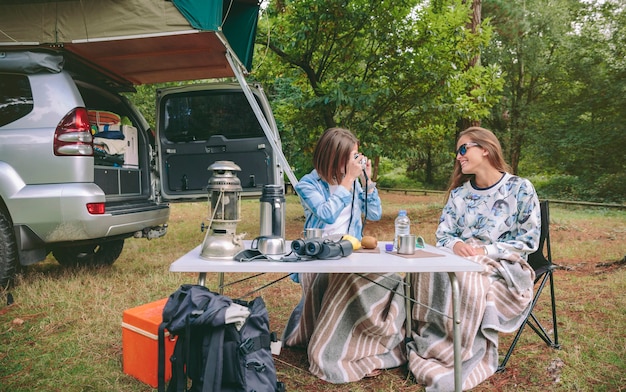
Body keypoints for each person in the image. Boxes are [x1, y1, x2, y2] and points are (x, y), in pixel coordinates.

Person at [407, 126, 541, 391]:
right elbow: (443, 234)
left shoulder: (520, 189)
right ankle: (431, 344)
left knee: (466, 276)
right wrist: (456, 244)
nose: (459, 156)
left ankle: (459, 352)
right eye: (458, 151)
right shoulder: (460, 195)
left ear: (486, 149)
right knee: (422, 268)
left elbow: (529, 241)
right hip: (460, 260)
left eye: (463, 149)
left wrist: (484, 252)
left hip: (504, 265)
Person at [283, 127, 407, 383]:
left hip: (351, 254)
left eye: (356, 155)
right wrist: (348, 182)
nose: (355, 161)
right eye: (351, 156)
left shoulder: (352, 182)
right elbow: (326, 213)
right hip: (318, 257)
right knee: (347, 284)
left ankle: (365, 345)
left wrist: (367, 182)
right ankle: (336, 350)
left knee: (388, 280)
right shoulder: (308, 183)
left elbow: (373, 214)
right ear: (334, 156)